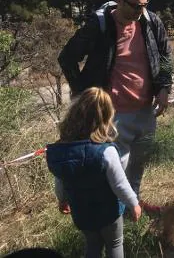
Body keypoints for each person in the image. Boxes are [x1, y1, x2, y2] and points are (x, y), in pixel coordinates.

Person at [58, 0, 172, 210]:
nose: (141, 10)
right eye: (135, 5)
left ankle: (134, 203)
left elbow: (164, 57)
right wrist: (84, 96)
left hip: (145, 109)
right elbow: (67, 58)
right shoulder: (98, 26)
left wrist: (163, 88)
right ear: (118, 0)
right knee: (115, 166)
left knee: (138, 162)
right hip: (112, 114)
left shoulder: (151, 22)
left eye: (145, 4)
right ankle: (113, 214)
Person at [46, 88, 142, 258]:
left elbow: (60, 181)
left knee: (92, 245)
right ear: (105, 117)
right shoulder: (106, 152)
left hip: (82, 213)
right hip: (108, 213)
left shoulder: (63, 151)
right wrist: (133, 203)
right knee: (115, 244)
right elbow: (120, 184)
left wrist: (62, 199)